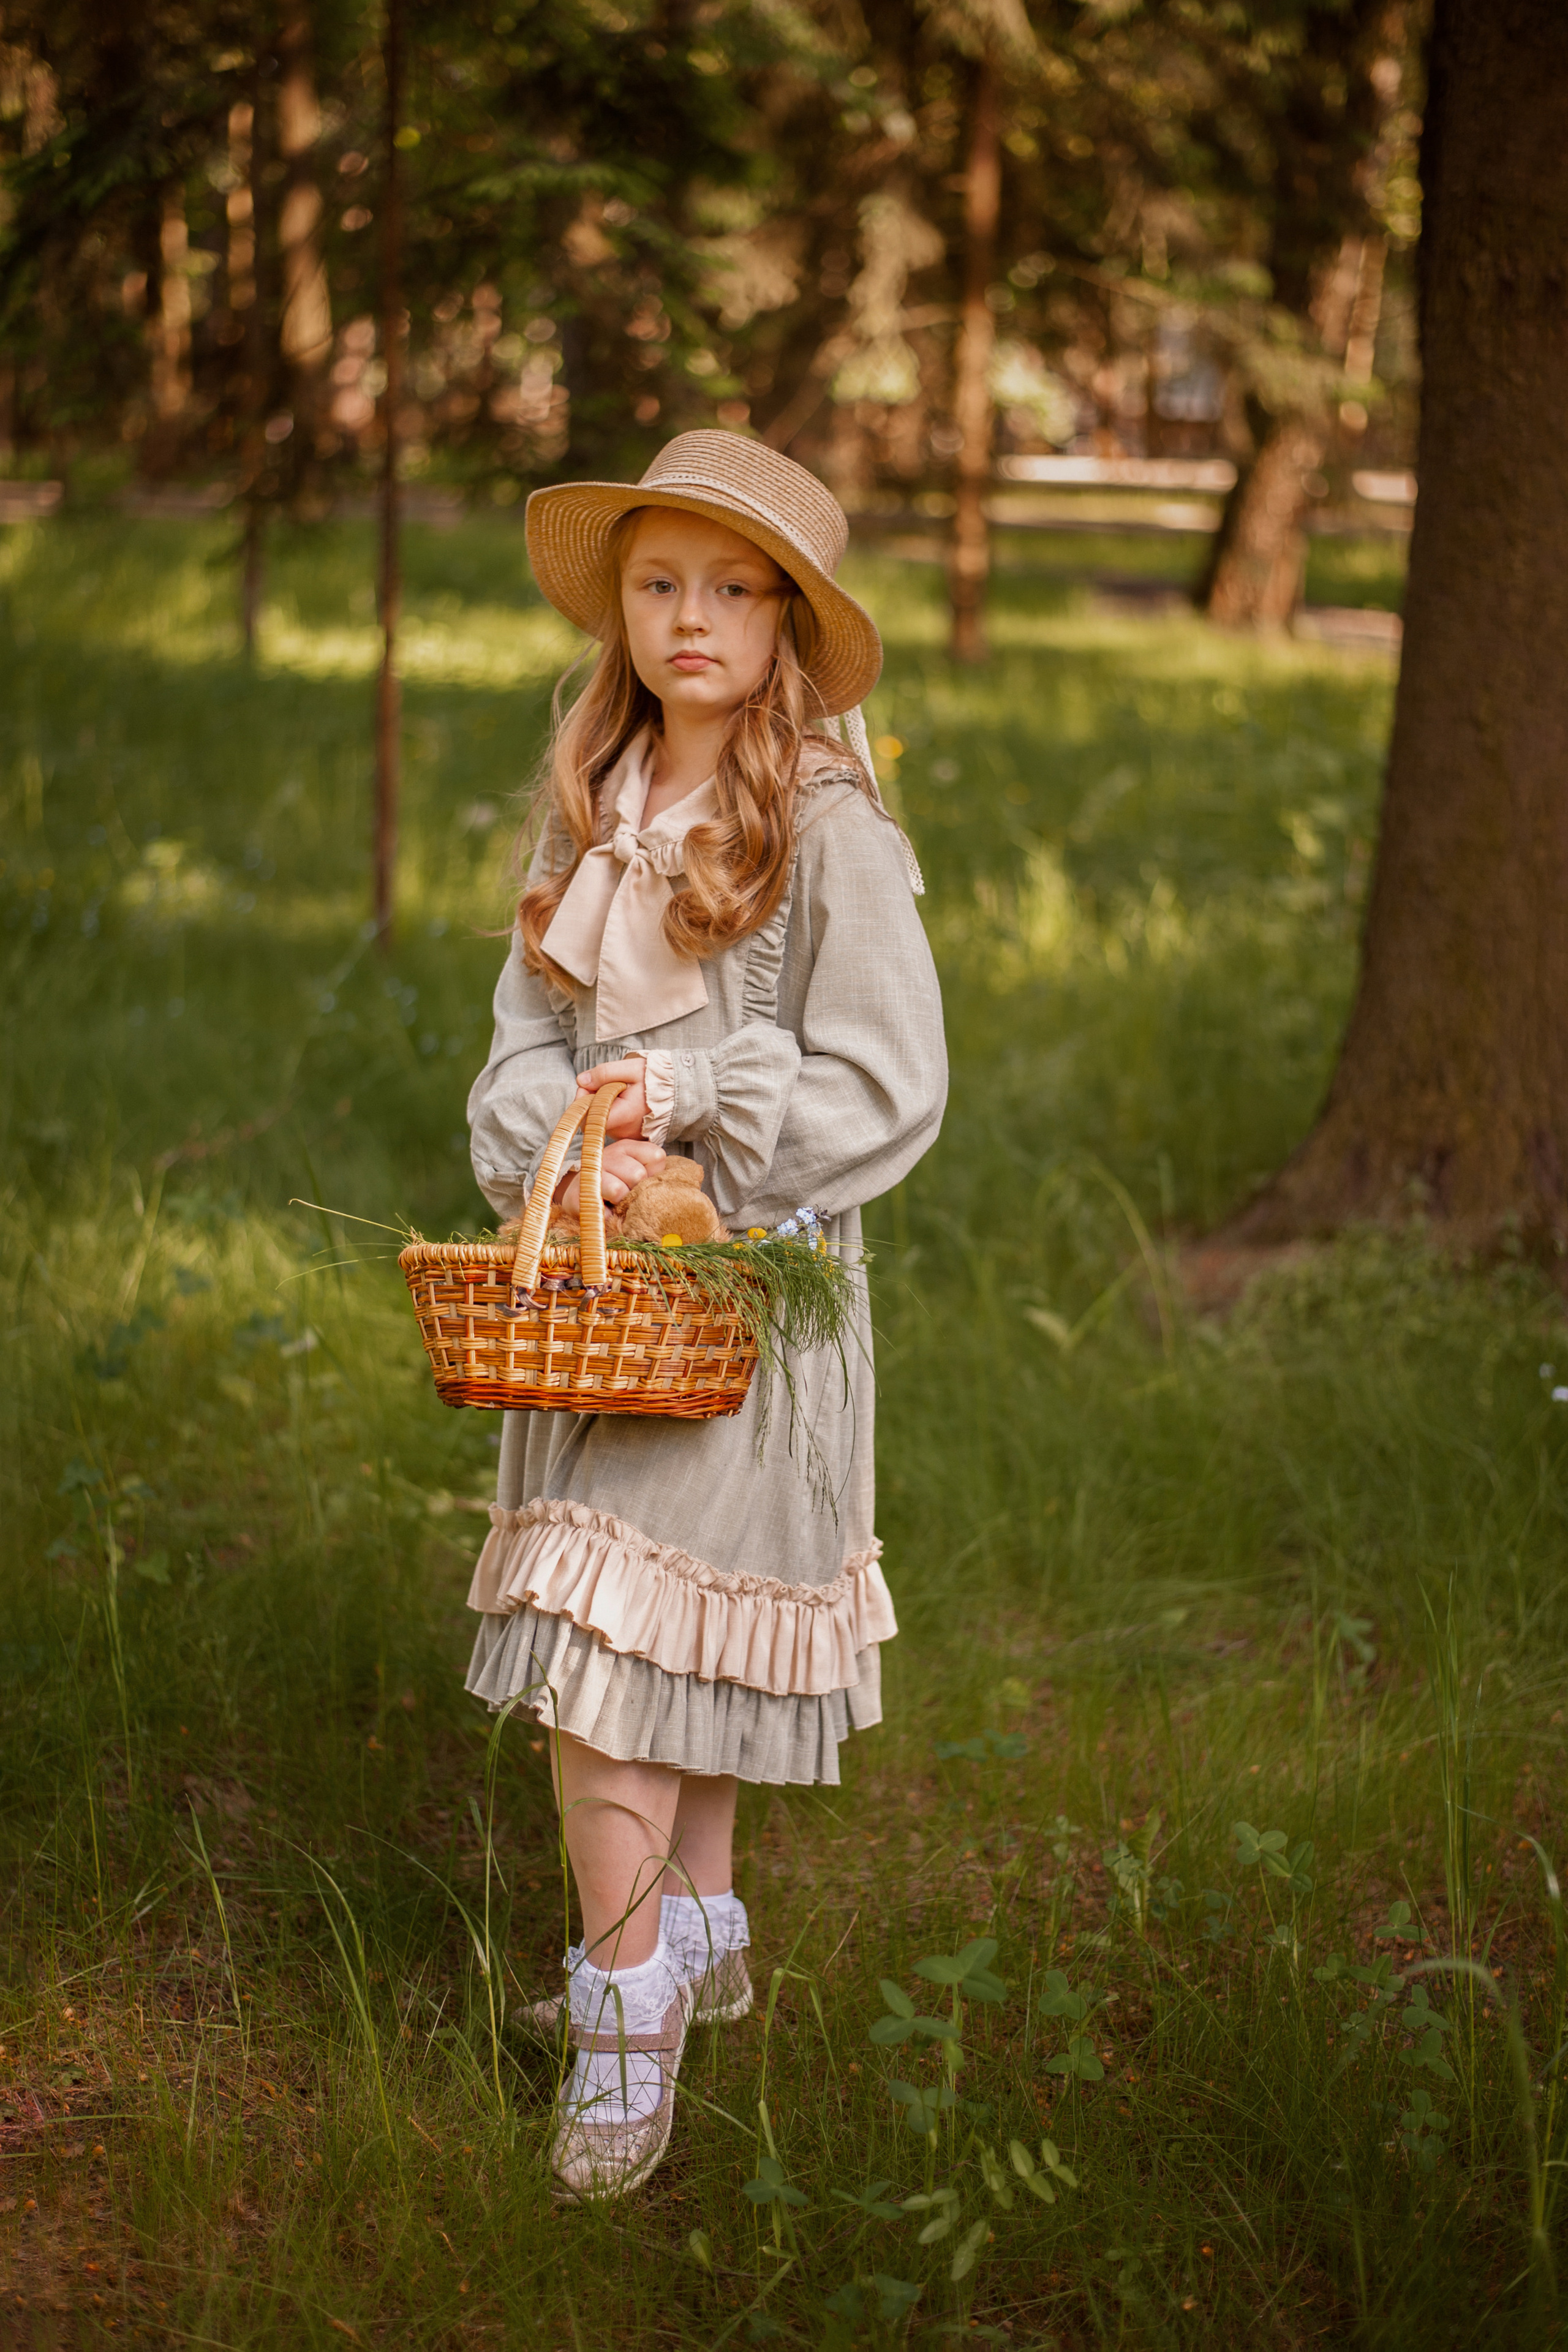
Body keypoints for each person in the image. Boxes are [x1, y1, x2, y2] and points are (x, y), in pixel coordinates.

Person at [464, 430, 947, 2200]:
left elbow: (894, 1083)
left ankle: (622, 2011)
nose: (691, 617)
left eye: (734, 590)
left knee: (609, 1630)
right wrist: (563, 1141)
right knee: (672, 1626)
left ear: (790, 622)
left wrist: (694, 1116)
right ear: (622, 608)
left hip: (750, 1300)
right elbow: (521, 1050)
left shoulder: (823, 821)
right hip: (598, 1292)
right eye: (660, 581)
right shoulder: (591, 804)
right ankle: (707, 1931)